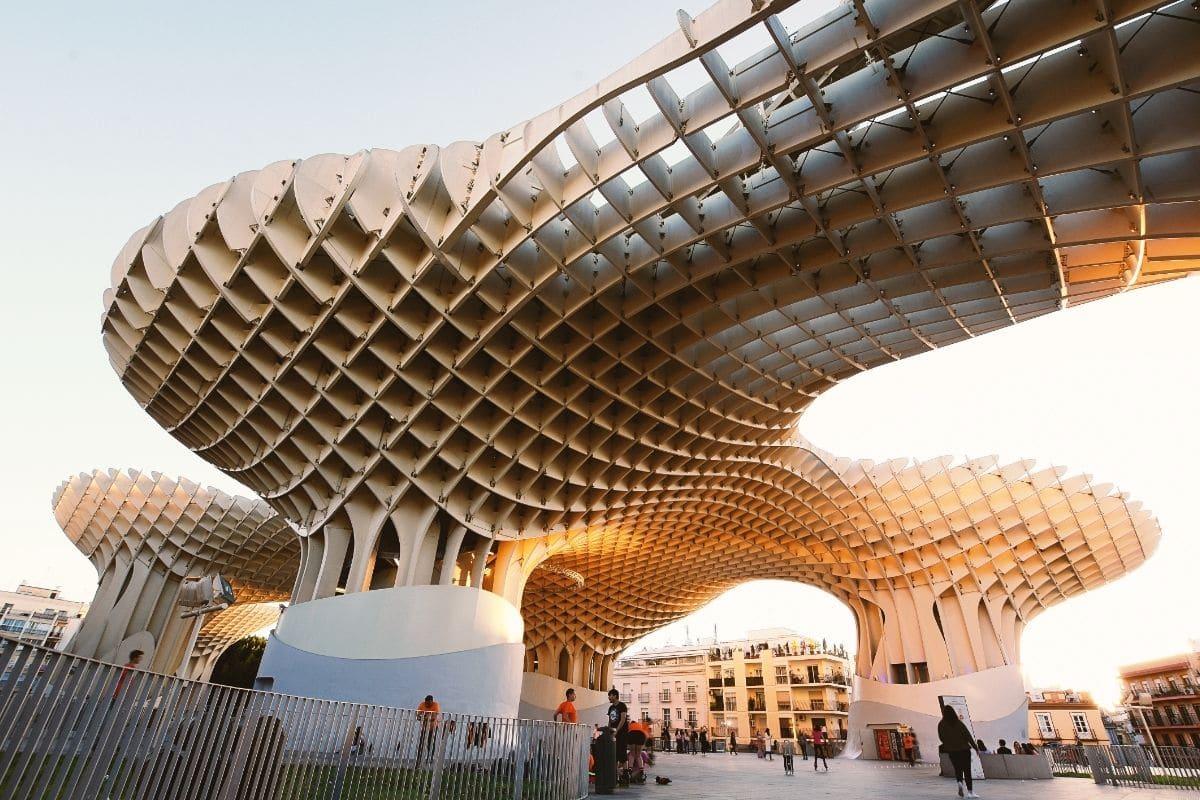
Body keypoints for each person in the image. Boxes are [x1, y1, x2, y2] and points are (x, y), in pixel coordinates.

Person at [937, 704, 979, 798]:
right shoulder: (958, 723)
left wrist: (948, 744)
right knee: (967, 770)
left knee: (958, 769)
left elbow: (941, 737)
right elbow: (968, 735)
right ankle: (970, 792)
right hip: (964, 749)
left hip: (952, 751)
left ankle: (960, 782)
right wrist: (975, 747)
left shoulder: (941, 724)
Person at [605, 689, 629, 768]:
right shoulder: (611, 708)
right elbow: (610, 721)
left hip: (622, 733)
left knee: (622, 753)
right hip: (613, 733)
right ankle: (615, 774)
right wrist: (608, 731)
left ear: (615, 696)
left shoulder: (622, 706)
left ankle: (625, 774)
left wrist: (617, 730)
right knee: (614, 753)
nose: (609, 697)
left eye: (610, 695)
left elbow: (623, 719)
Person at [414, 694, 441, 761]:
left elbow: (433, 718)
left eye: (428, 703)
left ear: (432, 701)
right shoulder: (422, 704)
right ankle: (419, 759)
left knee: (431, 743)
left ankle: (430, 758)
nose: (427, 705)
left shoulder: (435, 705)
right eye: (426, 703)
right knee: (421, 743)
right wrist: (425, 717)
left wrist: (424, 717)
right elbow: (417, 716)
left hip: (433, 727)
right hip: (424, 727)